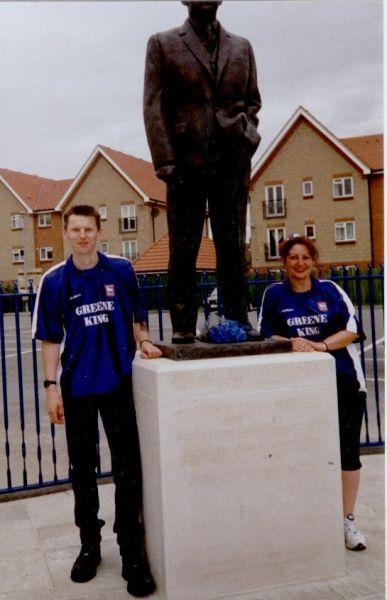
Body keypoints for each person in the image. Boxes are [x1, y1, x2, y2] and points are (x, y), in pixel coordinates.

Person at [32, 204, 162, 597]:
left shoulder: (121, 270)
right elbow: (51, 339)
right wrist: (50, 386)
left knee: (128, 468)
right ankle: (90, 546)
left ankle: (130, 552)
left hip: (118, 383)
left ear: (99, 232)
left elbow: (138, 317)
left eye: (89, 229)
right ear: (66, 234)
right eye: (76, 229)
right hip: (78, 388)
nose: (83, 235)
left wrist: (142, 339)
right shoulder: (54, 281)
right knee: (83, 471)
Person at [143, 0, 261, 343]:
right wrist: (164, 159)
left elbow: (253, 101)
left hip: (232, 161)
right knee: (184, 244)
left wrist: (246, 133)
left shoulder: (241, 46)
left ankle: (239, 318)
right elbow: (153, 103)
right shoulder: (162, 43)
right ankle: (182, 324)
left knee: (232, 243)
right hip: (183, 161)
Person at [257, 235, 367, 551]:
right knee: (303, 454)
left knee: (348, 453)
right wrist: (291, 341)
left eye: (305, 257)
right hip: (298, 388)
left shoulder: (331, 291)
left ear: (314, 261)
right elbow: (266, 332)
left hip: (344, 383)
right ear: (284, 262)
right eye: (293, 257)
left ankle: (347, 519)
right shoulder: (275, 294)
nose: (300, 263)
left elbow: (352, 330)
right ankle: (309, 519)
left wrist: (319, 345)